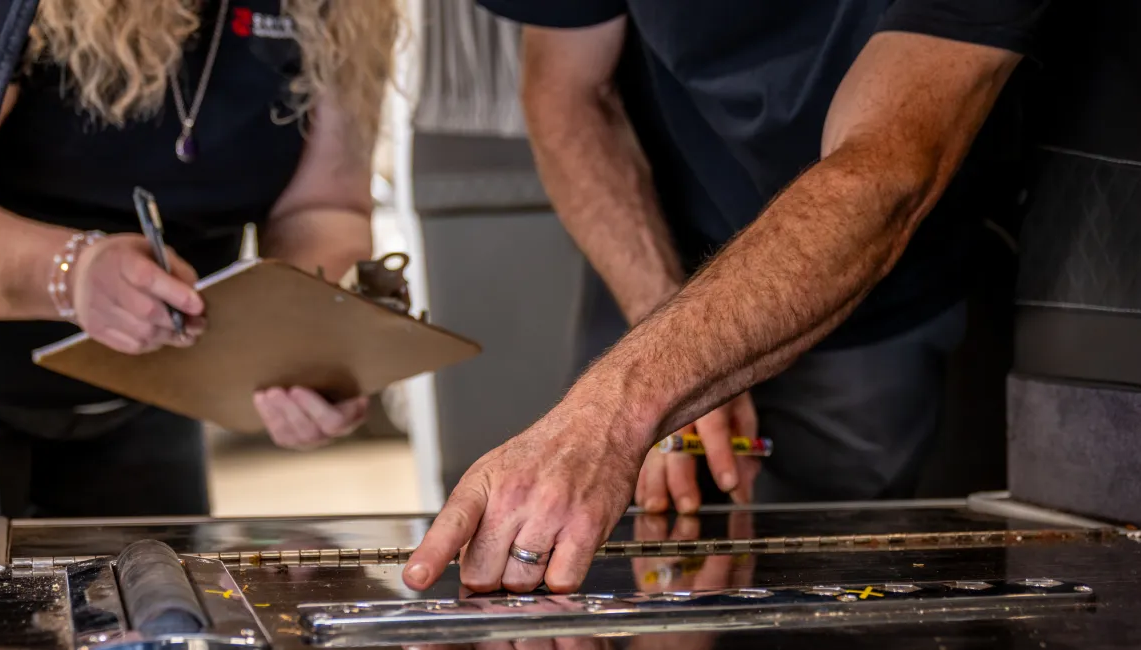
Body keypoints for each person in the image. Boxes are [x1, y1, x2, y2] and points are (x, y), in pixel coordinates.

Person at [403, 0, 1045, 594]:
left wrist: (614, 415)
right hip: (659, 251)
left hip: (877, 280)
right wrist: (668, 337)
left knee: (830, 588)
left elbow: (885, 170)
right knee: (618, 578)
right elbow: (568, 89)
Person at [0, 0, 398, 517]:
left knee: (160, 595)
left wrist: (303, 339)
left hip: (157, 392)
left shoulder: (342, 11)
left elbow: (325, 207)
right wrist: (68, 272)